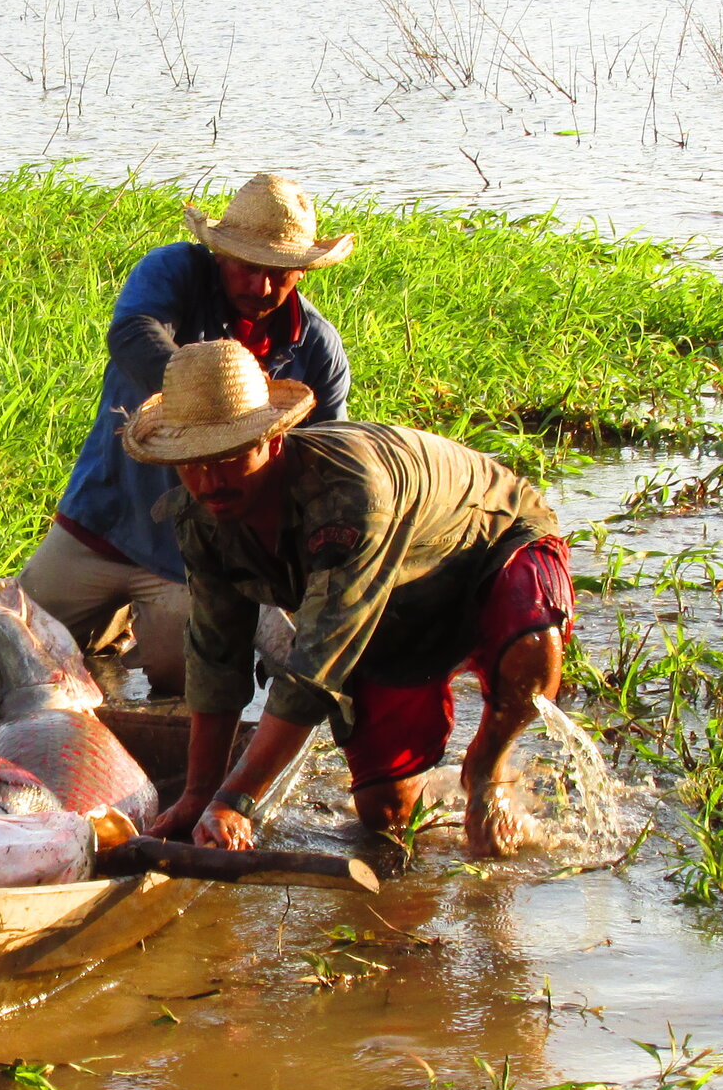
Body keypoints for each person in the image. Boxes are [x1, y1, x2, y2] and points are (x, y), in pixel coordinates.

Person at [124, 338, 571, 862]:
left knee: (531, 648)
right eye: (193, 464)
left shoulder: (350, 494)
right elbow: (216, 655)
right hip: (393, 598)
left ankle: (487, 766)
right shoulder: (200, 518)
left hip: (487, 546)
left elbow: (316, 667)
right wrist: (201, 794)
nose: (210, 482)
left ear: (273, 440)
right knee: (385, 815)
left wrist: (236, 799)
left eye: (229, 457)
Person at [19, 173, 354, 696]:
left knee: (186, 685)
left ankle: (145, 632)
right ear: (221, 254)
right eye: (247, 267)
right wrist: (203, 399)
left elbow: (326, 469)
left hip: (197, 558)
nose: (260, 288)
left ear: (301, 272)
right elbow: (132, 332)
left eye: (278, 274)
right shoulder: (175, 271)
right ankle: (111, 631)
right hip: (104, 520)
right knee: (20, 648)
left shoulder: (316, 349)